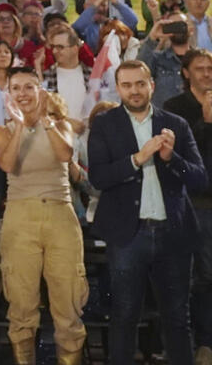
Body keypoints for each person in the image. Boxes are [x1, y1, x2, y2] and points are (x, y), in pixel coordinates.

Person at [88, 60, 206, 365]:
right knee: (124, 316)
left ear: (151, 85)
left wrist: (171, 158)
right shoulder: (104, 124)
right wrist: (137, 159)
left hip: (174, 236)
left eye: (140, 83)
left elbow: (199, 178)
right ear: (118, 88)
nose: (135, 91)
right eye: (127, 85)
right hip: (128, 235)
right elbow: (98, 177)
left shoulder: (176, 124)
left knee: (177, 318)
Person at [0, 68, 86, 365]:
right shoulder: (2, 130)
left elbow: (64, 154)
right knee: (21, 306)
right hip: (20, 218)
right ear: (9, 95)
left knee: (68, 305)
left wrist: (45, 121)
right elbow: (6, 164)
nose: (23, 94)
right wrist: (20, 127)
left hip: (60, 214)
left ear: (40, 91)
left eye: (29, 87)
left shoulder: (62, 125)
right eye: (16, 88)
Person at [161, 49, 212, 365]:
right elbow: (178, 156)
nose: (207, 73)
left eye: (210, 68)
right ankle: (203, 345)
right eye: (200, 68)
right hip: (196, 205)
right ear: (185, 72)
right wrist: (206, 122)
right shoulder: (175, 109)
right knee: (201, 278)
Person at [42, 27, 94, 133]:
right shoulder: (47, 76)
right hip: (59, 136)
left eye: (60, 47)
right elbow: (43, 110)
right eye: (53, 47)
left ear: (75, 49)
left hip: (89, 137)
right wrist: (67, 122)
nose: (55, 51)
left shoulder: (92, 74)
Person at [141, 10, 193, 107]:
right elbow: (138, 70)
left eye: (181, 24)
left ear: (191, 29)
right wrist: (153, 37)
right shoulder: (157, 59)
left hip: (195, 118)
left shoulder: (201, 59)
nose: (177, 29)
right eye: (172, 25)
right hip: (164, 118)